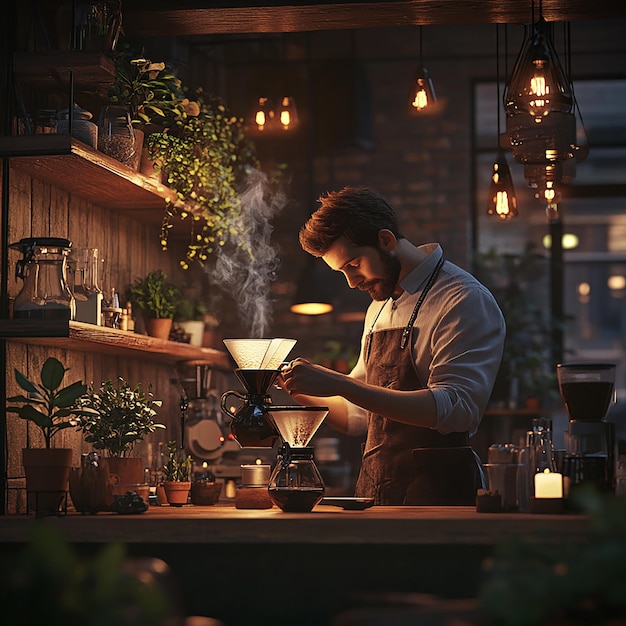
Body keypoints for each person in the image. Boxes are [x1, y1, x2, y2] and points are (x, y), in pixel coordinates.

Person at [279, 186, 506, 505]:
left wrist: (339, 383)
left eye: (354, 264)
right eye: (342, 272)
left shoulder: (462, 299)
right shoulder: (379, 308)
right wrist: (295, 386)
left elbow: (457, 409)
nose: (351, 282)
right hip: (376, 495)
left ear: (385, 241)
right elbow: (358, 418)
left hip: (440, 500)